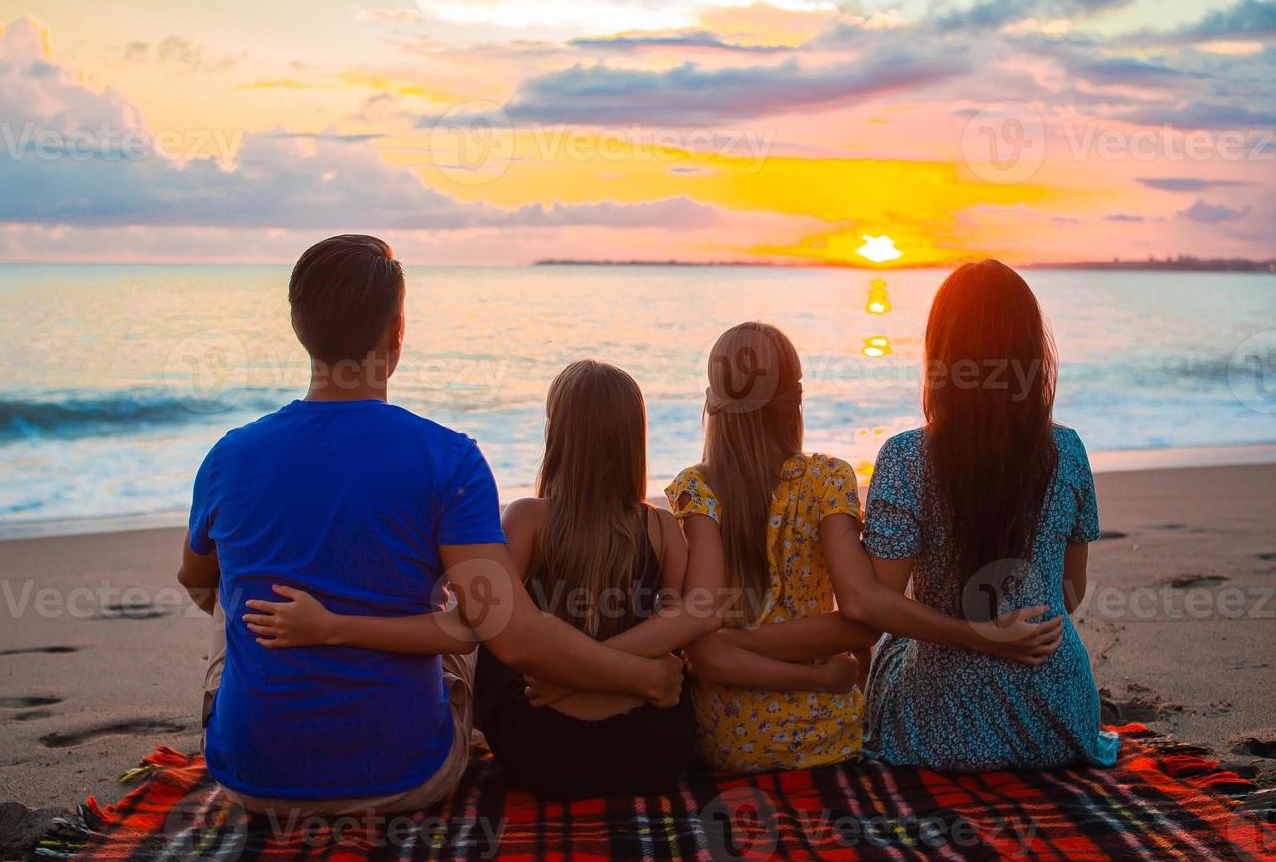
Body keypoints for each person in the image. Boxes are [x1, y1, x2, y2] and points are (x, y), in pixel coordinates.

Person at [177, 235, 682, 819]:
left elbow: (197, 584)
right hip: (406, 776)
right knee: (472, 611)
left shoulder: (228, 455)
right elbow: (510, 634)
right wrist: (645, 678)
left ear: (299, 328)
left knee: (232, 600)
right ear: (396, 332)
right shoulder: (449, 459)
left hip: (253, 781)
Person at [851, 259, 1117, 770]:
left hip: (940, 730)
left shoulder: (906, 457)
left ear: (942, 353)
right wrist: (1017, 629)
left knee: (887, 647)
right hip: (1058, 722)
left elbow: (877, 605)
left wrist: (977, 636)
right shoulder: (1069, 450)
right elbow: (1071, 591)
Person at [663, 322, 874, 773]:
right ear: (795, 403)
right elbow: (860, 621)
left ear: (712, 404)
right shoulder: (829, 480)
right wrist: (817, 677)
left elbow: (710, 658)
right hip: (823, 733)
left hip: (723, 740)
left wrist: (737, 642)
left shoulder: (696, 490)